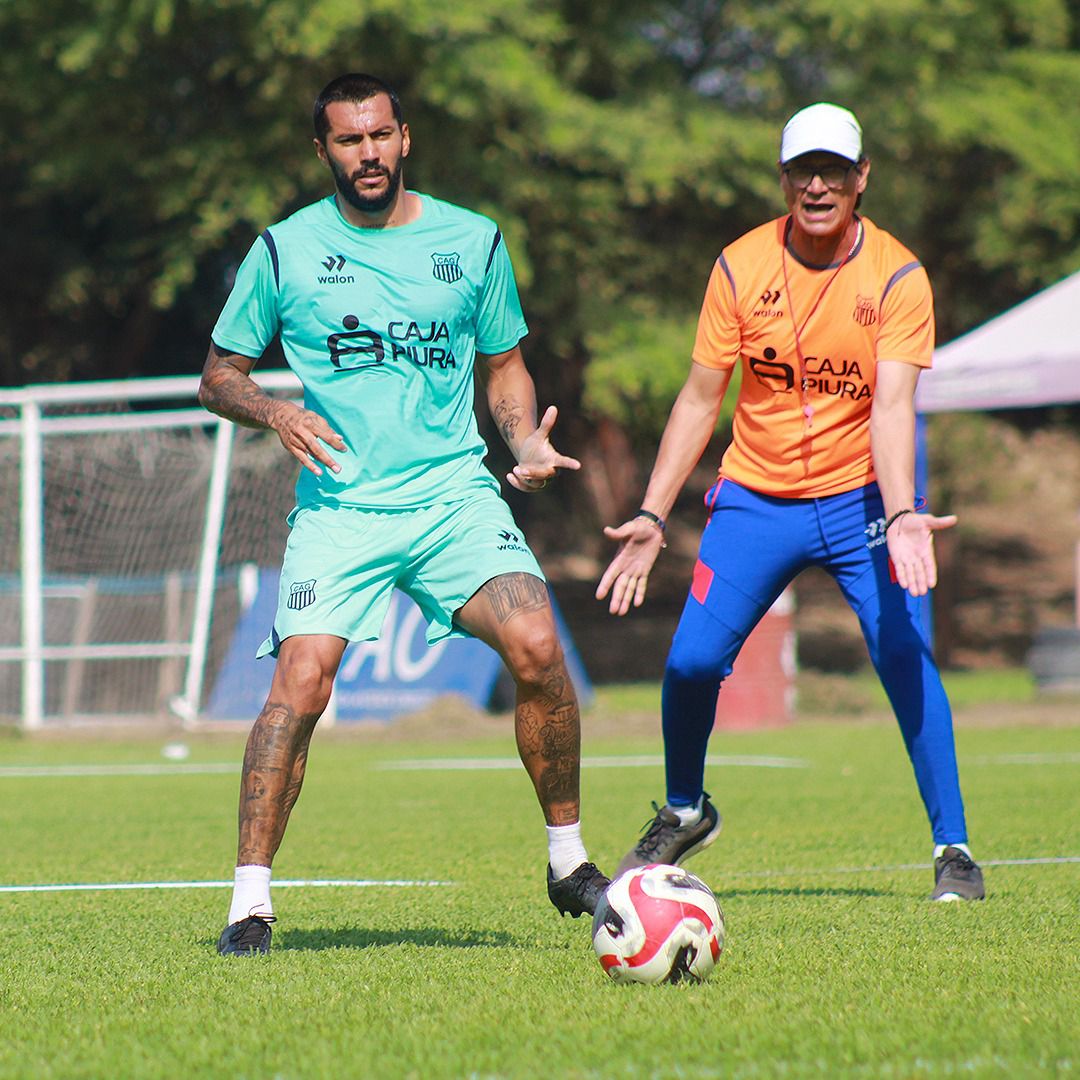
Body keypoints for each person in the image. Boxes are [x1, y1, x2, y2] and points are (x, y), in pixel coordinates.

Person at [200, 73, 610, 956]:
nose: (368, 153)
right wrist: (273, 410)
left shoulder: (474, 239)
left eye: (380, 135)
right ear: (324, 152)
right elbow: (218, 374)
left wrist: (522, 447)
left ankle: (568, 861)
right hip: (342, 507)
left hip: (453, 496)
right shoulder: (284, 251)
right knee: (300, 685)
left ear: (405, 137)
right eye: (348, 141)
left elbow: (504, 368)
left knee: (537, 646)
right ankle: (249, 904)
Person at [596, 102, 984, 902]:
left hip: (860, 500)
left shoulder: (900, 277)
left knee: (903, 654)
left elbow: (891, 406)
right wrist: (651, 513)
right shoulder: (739, 266)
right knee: (691, 661)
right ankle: (684, 806)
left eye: (834, 171)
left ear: (860, 178)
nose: (818, 184)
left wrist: (904, 509)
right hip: (755, 499)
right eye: (803, 170)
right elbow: (701, 400)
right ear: (782, 179)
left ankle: (954, 848)